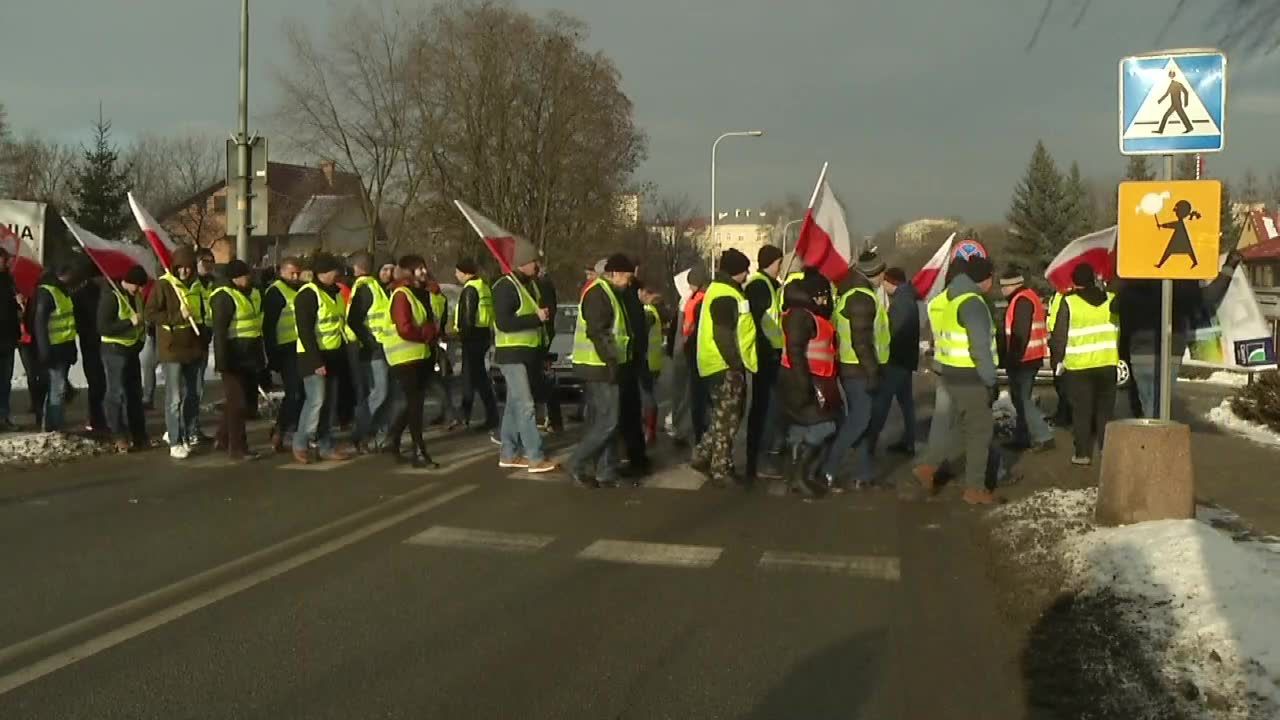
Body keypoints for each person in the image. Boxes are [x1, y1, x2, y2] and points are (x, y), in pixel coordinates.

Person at [913, 257, 1002, 506]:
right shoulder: (973, 303)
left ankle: (929, 467)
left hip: (951, 373)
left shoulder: (953, 299)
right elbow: (980, 347)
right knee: (979, 433)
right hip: (971, 377)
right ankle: (975, 488)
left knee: (961, 429)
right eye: (990, 277)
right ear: (983, 279)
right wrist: (990, 380)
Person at [1115, 252, 1240, 419]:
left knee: (1147, 403)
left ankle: (1149, 436)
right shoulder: (1182, 283)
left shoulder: (1136, 283)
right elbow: (1209, 298)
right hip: (1171, 349)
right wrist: (1229, 268)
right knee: (1161, 405)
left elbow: (1116, 306)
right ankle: (1156, 436)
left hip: (1141, 351)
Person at [818, 251, 889, 492]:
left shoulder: (851, 293)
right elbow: (862, 341)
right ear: (875, 273)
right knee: (859, 422)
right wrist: (873, 372)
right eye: (882, 273)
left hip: (852, 367)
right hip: (859, 370)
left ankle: (864, 474)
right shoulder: (861, 298)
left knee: (863, 423)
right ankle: (828, 469)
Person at [567, 253, 635, 488]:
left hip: (600, 365)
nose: (629, 281)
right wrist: (612, 363)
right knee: (608, 422)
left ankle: (606, 471)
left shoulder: (608, 292)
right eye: (627, 276)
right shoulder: (599, 294)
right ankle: (577, 463)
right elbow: (598, 332)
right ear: (614, 273)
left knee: (605, 421)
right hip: (600, 366)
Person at [691, 248, 757, 488]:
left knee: (724, 417)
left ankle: (702, 455)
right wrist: (736, 364)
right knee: (728, 419)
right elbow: (723, 334)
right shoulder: (725, 294)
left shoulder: (721, 291)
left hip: (717, 364)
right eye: (744, 270)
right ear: (735, 271)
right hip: (724, 366)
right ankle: (721, 468)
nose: (747, 274)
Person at [491, 241, 555, 473]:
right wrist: (536, 318)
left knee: (513, 405)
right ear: (522, 263)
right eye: (534, 262)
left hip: (527, 354)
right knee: (526, 405)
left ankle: (508, 453)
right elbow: (504, 322)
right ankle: (535, 456)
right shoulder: (505, 287)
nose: (538, 266)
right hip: (512, 355)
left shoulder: (530, 286)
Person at [776, 270, 840, 497]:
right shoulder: (801, 316)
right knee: (826, 426)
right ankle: (801, 475)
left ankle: (797, 476)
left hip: (811, 379)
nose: (826, 300)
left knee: (801, 427)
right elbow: (795, 352)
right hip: (803, 380)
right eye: (823, 296)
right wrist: (804, 386)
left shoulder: (808, 315)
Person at [1050, 264, 1119, 467]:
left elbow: (1059, 336)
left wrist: (1057, 361)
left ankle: (1082, 454)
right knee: (1105, 411)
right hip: (1107, 363)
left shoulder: (1069, 303)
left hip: (1078, 368)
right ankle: (1107, 449)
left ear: (1075, 282)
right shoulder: (1111, 300)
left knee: (1081, 412)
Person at [292, 253, 354, 464]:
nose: (337, 274)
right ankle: (301, 443)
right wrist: (316, 361)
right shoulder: (308, 295)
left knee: (329, 404)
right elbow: (305, 332)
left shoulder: (335, 293)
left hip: (334, 354)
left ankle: (325, 445)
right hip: (313, 357)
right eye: (333, 271)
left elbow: (339, 324)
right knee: (316, 402)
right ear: (322, 273)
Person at [145, 247, 205, 458]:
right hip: (172, 349)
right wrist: (177, 316)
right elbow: (151, 314)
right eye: (181, 268)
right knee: (174, 398)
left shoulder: (198, 286)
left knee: (193, 395)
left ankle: (188, 434)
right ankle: (174, 439)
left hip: (194, 347)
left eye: (189, 268)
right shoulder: (164, 285)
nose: (185, 272)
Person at [383, 255, 441, 468]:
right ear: (408, 272)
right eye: (418, 269)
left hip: (422, 355)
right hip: (404, 358)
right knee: (416, 405)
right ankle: (419, 451)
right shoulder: (401, 294)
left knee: (414, 403)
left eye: (424, 268)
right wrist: (427, 333)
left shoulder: (423, 293)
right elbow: (405, 328)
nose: (424, 272)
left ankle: (394, 438)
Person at [210, 260, 266, 461]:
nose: (248, 278)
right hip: (232, 358)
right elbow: (220, 332)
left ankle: (222, 438)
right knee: (238, 404)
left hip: (249, 357)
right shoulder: (224, 297)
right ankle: (238, 448)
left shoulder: (253, 293)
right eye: (244, 275)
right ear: (234, 278)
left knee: (240, 403)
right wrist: (222, 362)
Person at [999, 268, 1054, 452]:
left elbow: (1019, 333)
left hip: (1024, 359)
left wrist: (1011, 359)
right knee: (1019, 399)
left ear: (1012, 285)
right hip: (1030, 357)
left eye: (1003, 286)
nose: (1001, 290)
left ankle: (1043, 436)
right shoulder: (1027, 297)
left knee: (1023, 400)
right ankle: (1022, 437)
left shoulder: (1021, 300)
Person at [867, 267, 919, 455]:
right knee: (906, 403)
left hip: (896, 360)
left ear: (891, 282)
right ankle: (909, 441)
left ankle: (870, 441)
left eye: (885, 283)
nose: (883, 286)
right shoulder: (907, 298)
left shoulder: (901, 302)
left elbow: (892, 332)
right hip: (906, 360)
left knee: (882, 401)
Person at [744, 244, 785, 482]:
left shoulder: (770, 284)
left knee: (769, 407)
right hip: (766, 354)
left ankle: (764, 454)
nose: (781, 266)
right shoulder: (759, 285)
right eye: (779, 262)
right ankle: (759, 458)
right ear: (772, 262)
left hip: (772, 353)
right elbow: (760, 322)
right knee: (765, 408)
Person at [345, 252, 393, 452]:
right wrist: (370, 341)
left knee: (382, 394)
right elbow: (354, 321)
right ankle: (359, 434)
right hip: (373, 349)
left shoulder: (370, 287)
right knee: (379, 394)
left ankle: (377, 436)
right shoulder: (367, 288)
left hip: (380, 347)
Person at [98, 266, 149, 452]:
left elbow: (141, 321)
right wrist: (129, 322)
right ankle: (118, 434)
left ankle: (139, 434)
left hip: (131, 350)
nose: (139, 290)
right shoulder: (112, 297)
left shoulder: (136, 297)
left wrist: (141, 336)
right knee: (116, 394)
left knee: (134, 394)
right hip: (114, 350)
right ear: (128, 282)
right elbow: (103, 327)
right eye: (137, 286)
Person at [34, 263, 83, 432]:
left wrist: (72, 348)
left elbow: (68, 322)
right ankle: (55, 426)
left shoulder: (63, 291)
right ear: (62, 274)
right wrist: (44, 351)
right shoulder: (49, 292)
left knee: (58, 388)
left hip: (64, 347)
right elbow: (40, 324)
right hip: (54, 349)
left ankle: (55, 424)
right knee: (58, 389)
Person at [453, 259, 498, 431]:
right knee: (479, 378)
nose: (455, 275)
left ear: (465, 272)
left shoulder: (470, 289)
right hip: (483, 334)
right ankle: (490, 415)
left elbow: (468, 316)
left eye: (457, 272)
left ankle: (466, 416)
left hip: (472, 338)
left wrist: (463, 336)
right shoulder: (483, 286)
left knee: (470, 379)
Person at [264, 257, 304, 452]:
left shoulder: (301, 289)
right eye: (292, 273)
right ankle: (281, 429)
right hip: (285, 349)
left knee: (302, 393)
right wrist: (273, 358)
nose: (296, 277)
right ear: (282, 272)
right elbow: (269, 328)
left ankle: (289, 430)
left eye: (298, 273)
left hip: (301, 347)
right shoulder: (275, 293)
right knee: (294, 393)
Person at [617, 268, 650, 477]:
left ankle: (631, 455)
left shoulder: (625, 298)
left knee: (625, 412)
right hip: (633, 360)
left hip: (626, 361)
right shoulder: (633, 299)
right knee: (632, 411)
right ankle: (636, 455)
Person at [73, 267, 108, 436]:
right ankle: (96, 418)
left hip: (101, 343)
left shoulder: (107, 291)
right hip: (91, 343)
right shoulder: (83, 294)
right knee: (97, 383)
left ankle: (101, 417)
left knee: (103, 383)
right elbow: (78, 321)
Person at [681, 264, 712, 444]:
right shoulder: (709, 298)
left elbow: (687, 330)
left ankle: (700, 435)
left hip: (694, 353)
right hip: (708, 353)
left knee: (697, 398)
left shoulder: (693, 302)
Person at [191, 248, 218, 442]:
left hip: (204, 338)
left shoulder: (213, 284)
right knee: (188, 388)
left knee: (198, 388)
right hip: (189, 339)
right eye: (204, 261)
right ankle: (184, 429)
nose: (208, 265)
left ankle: (194, 427)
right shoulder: (191, 284)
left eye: (211, 261)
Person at [425, 275, 457, 428]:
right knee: (442, 379)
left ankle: (449, 415)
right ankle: (446, 414)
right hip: (439, 341)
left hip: (429, 342)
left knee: (433, 381)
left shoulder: (427, 297)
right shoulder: (441, 297)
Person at [532, 268, 562, 434]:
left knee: (541, 380)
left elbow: (545, 312)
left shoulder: (539, 285)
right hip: (544, 337)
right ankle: (552, 419)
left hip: (539, 338)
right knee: (545, 378)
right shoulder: (545, 283)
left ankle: (547, 418)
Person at [639, 285, 664, 445]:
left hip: (648, 361)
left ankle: (650, 430)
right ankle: (649, 429)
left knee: (647, 396)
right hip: (653, 360)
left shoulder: (648, 311)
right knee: (647, 396)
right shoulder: (653, 310)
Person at [1046, 291, 1073, 427]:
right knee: (1060, 385)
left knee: (1064, 386)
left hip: (1062, 347)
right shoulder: (1056, 296)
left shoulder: (1066, 298)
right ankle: (1062, 414)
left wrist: (1059, 353)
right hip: (1056, 343)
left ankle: (1065, 417)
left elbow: (1062, 326)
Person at [0, 248, 20, 431]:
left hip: (8, 338)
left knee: (5, 381)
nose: (4, 262)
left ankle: (3, 416)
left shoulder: (9, 280)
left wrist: (18, 302)